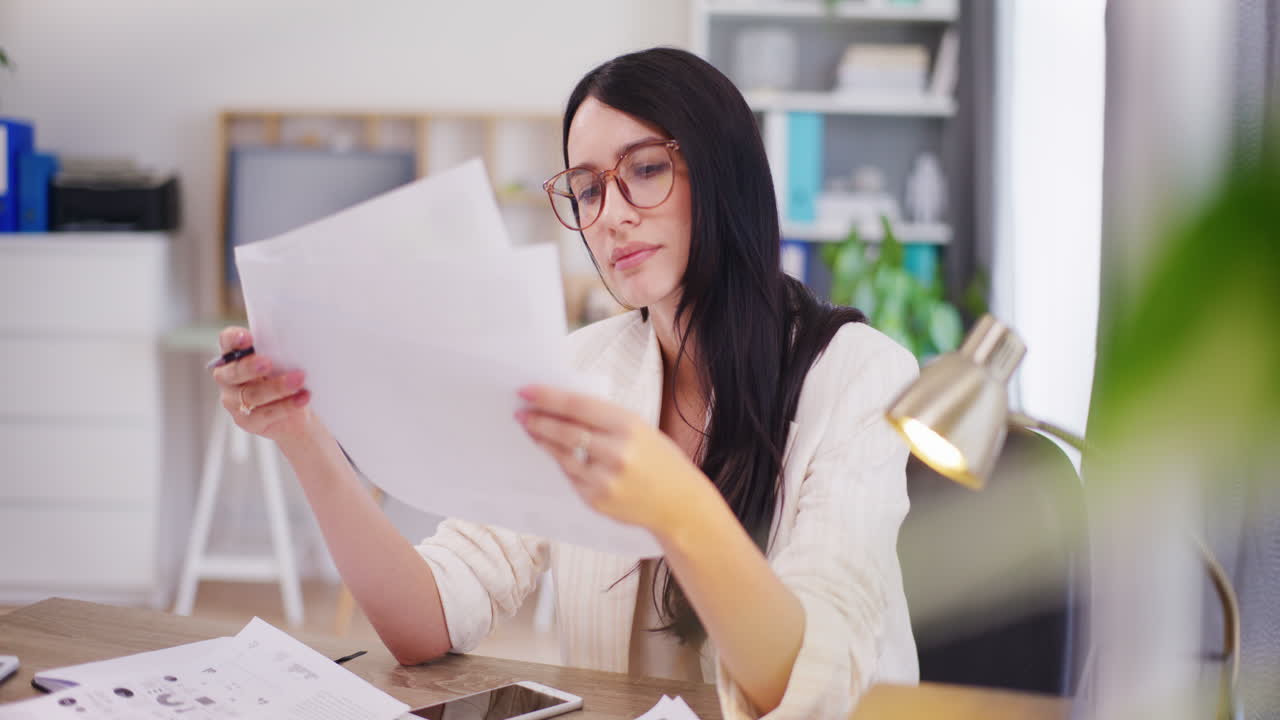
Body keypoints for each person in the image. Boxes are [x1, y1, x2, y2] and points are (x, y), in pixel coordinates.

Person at [211, 47, 919, 719]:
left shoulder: (861, 376)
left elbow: (812, 688)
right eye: (586, 189)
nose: (610, 216)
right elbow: (427, 622)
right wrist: (303, 438)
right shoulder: (581, 369)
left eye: (646, 169)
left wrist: (677, 505)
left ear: (723, 171)